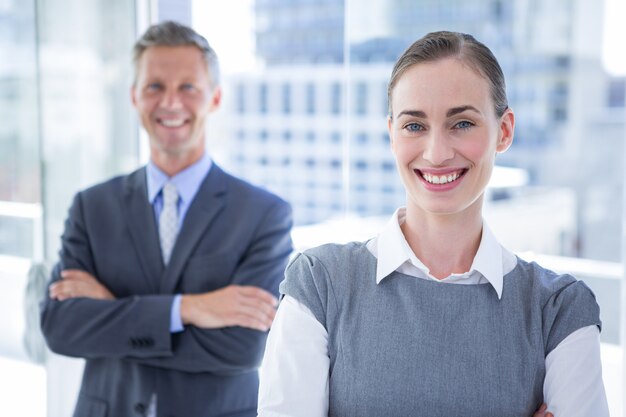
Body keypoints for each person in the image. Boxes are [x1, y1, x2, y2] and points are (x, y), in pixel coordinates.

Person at [257, 31, 609, 417]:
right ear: (392, 133)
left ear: (503, 131)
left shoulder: (557, 310)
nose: (437, 153)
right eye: (414, 126)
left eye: (462, 124)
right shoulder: (319, 286)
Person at [40, 21, 293, 417]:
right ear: (134, 97)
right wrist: (188, 310)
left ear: (215, 98)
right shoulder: (91, 207)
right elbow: (61, 328)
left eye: (188, 87)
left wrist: (112, 310)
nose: (171, 102)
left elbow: (244, 347)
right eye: (155, 86)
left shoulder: (264, 214)